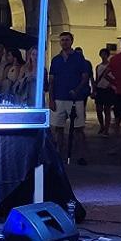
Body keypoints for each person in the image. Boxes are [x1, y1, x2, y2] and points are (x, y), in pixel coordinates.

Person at [48, 32, 88, 165]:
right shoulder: (56, 60)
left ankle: (81, 155)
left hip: (75, 99)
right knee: (58, 128)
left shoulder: (78, 58)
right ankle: (59, 153)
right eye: (62, 40)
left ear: (72, 41)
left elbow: (84, 77)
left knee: (78, 129)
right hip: (59, 98)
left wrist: (76, 90)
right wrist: (51, 99)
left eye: (66, 40)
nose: (64, 42)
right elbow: (51, 81)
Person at [93, 48, 115, 136]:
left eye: (105, 54)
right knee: (99, 109)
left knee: (107, 110)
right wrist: (94, 88)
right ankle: (102, 125)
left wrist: (111, 84)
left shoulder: (111, 66)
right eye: (101, 54)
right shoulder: (98, 66)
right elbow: (97, 77)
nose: (103, 56)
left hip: (108, 89)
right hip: (99, 88)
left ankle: (106, 128)